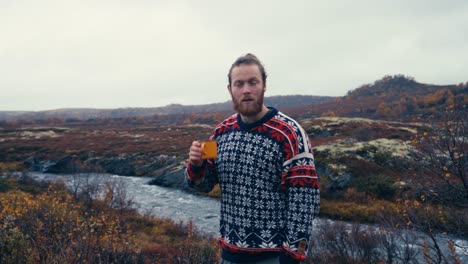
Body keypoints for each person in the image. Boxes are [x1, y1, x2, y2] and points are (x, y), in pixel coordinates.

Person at [185, 53, 320, 264]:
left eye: (253, 82)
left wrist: (292, 256)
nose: (246, 90)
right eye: (239, 84)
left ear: (264, 86)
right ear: (230, 89)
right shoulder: (219, 134)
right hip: (229, 256)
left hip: (274, 258)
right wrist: (196, 165)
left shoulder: (291, 133)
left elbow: (305, 200)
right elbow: (203, 186)